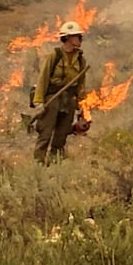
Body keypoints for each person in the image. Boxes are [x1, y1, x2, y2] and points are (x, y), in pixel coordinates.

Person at [29, 21, 89, 162]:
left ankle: (54, 164)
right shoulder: (54, 56)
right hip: (52, 100)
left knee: (61, 137)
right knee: (45, 135)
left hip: (69, 101)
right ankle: (38, 165)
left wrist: (82, 108)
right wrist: (39, 102)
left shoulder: (81, 61)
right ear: (68, 38)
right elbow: (43, 79)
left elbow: (81, 86)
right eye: (78, 36)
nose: (80, 39)